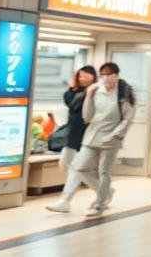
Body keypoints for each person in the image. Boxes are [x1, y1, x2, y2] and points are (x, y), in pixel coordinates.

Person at [46, 61, 134, 217]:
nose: (106, 78)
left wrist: (117, 134)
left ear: (116, 75)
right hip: (90, 137)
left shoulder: (123, 94)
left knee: (104, 171)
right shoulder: (95, 91)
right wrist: (88, 95)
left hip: (110, 139)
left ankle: (99, 205)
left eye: (109, 74)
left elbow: (127, 117)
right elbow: (87, 116)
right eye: (103, 75)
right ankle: (105, 192)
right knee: (79, 167)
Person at [59, 65, 97, 171]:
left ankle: (75, 182)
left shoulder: (98, 92)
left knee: (85, 163)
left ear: (92, 77)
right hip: (74, 131)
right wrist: (86, 93)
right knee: (64, 162)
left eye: (84, 76)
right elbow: (72, 105)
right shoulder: (70, 93)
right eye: (80, 76)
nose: (81, 79)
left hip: (90, 131)